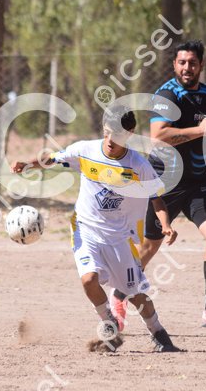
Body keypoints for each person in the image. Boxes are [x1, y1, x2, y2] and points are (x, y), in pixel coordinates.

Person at [10, 106, 182, 352]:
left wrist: (166, 224)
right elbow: (53, 158)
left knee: (135, 294)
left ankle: (159, 334)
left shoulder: (138, 165)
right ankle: (109, 324)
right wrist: (28, 164)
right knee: (89, 279)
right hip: (85, 228)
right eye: (108, 132)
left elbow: (156, 199)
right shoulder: (85, 150)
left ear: (130, 133)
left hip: (119, 236)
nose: (111, 139)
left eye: (118, 134)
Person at [112, 39, 206, 329]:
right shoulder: (165, 94)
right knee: (149, 247)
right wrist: (199, 131)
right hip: (165, 181)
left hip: (199, 180)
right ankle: (118, 297)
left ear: (201, 65)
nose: (186, 67)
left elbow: (199, 135)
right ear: (174, 65)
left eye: (192, 63)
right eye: (181, 62)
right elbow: (159, 136)